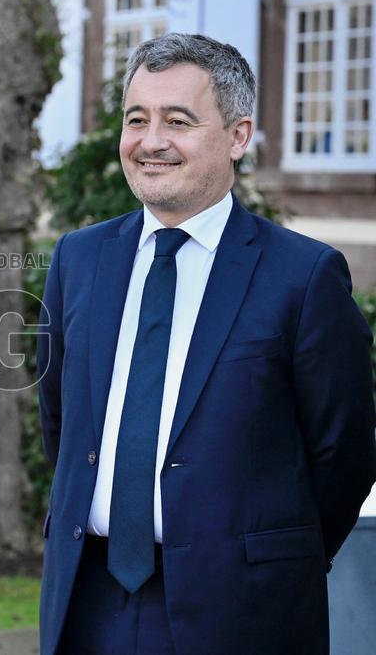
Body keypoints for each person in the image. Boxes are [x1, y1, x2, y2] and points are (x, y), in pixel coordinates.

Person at [36, 33, 376, 655]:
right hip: (88, 602)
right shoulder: (78, 259)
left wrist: (273, 558)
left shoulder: (302, 276)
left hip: (244, 610)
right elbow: (60, 421)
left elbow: (343, 454)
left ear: (237, 136)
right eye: (136, 119)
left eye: (178, 121)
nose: (150, 141)